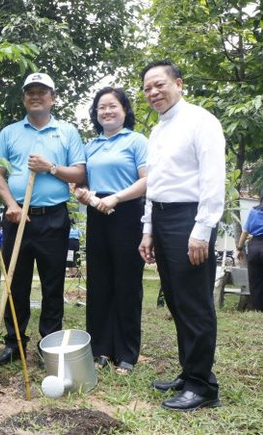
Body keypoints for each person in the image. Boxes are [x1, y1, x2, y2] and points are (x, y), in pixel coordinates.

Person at [138, 60, 225, 411]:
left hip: (189, 218)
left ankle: (203, 387)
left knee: (194, 303)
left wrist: (201, 230)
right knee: (175, 301)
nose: (153, 92)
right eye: (147, 88)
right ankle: (189, 373)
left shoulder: (201, 121)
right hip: (161, 217)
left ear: (179, 83)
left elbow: (213, 179)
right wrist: (148, 230)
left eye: (159, 84)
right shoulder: (157, 130)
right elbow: (154, 185)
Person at [0, 72, 85, 365]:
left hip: (53, 218)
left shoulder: (67, 132)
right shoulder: (9, 133)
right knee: (15, 282)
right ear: (24, 97)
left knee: (52, 283)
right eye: (30, 91)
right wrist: (10, 204)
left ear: (53, 98)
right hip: (17, 217)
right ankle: (14, 343)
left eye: (42, 91)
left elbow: (80, 173)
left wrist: (50, 167)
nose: (35, 96)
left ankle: (50, 344)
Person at [75, 87, 148, 375]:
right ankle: (100, 349)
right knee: (99, 283)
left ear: (125, 110)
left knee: (127, 284)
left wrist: (116, 197)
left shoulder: (136, 141)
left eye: (112, 106)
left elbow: (147, 180)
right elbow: (83, 181)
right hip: (98, 213)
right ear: (95, 113)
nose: (106, 111)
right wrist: (83, 194)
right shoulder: (90, 146)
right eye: (101, 107)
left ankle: (127, 353)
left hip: (127, 212)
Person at [235, 189, 263, 311]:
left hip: (254, 247)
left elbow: (245, 232)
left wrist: (239, 249)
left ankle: (258, 310)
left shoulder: (254, 211)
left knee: (255, 280)